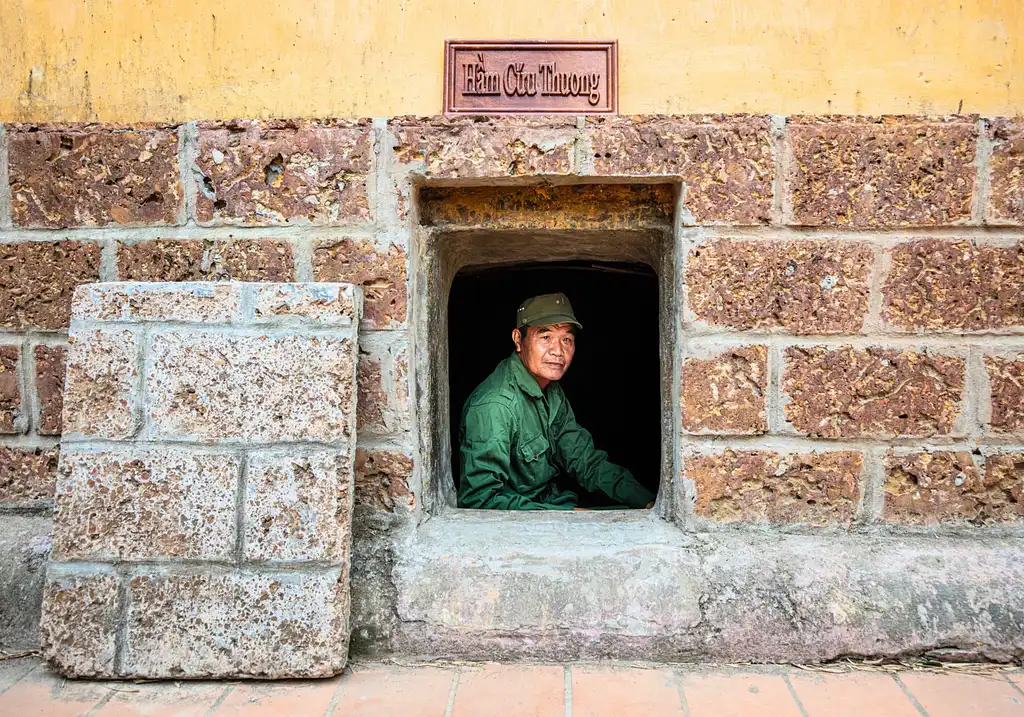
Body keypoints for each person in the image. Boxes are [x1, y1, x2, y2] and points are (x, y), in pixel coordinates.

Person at [458, 292, 656, 510]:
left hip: (553, 504)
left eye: (566, 340)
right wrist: (567, 515)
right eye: (545, 337)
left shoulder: (550, 390)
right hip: (520, 524)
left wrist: (645, 500)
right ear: (518, 340)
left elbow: (583, 459)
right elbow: (480, 501)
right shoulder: (495, 406)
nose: (558, 351)